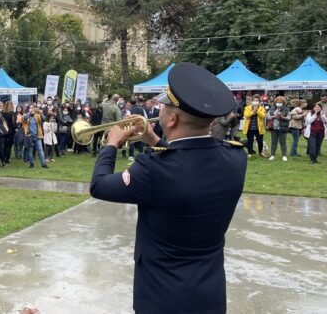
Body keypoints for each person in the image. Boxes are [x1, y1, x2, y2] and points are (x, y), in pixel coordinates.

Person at [90, 62, 247, 313]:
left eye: (163, 105)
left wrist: (110, 145)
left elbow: (99, 185)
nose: (159, 109)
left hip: (161, 297)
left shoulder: (153, 170)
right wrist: (155, 140)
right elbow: (187, 165)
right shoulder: (236, 157)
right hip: (210, 295)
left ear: (171, 119)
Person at [23, 104, 49, 169]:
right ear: (28, 109)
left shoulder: (37, 115)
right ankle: (31, 164)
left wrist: (41, 113)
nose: (31, 109)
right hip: (29, 136)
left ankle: (43, 164)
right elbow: (24, 118)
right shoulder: (26, 115)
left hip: (37, 136)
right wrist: (29, 113)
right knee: (30, 151)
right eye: (30, 108)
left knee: (40, 150)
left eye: (33, 108)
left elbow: (43, 119)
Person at [267, 96, 290, 161]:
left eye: (280, 102)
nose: (279, 103)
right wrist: (273, 116)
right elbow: (267, 116)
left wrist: (283, 117)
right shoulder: (272, 109)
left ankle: (284, 155)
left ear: (283, 103)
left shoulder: (286, 109)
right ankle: (272, 155)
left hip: (282, 128)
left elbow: (289, 117)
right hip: (273, 128)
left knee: (283, 142)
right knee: (273, 142)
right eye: (277, 102)